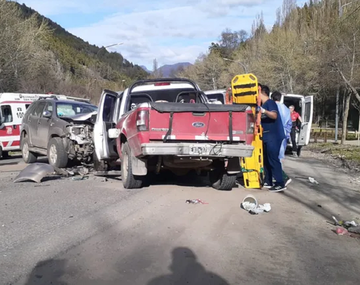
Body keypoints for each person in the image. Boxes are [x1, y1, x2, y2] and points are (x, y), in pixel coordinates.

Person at [258, 84, 286, 192]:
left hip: (274, 136)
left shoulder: (270, 103)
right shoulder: (263, 104)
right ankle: (268, 181)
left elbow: (274, 116)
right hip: (266, 136)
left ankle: (280, 182)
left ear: (262, 93)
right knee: (266, 159)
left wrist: (264, 111)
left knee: (273, 159)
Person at [271, 91, 292, 187]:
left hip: (274, 134)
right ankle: (278, 177)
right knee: (280, 157)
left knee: (272, 158)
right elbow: (289, 124)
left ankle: (281, 178)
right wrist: (287, 135)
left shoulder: (273, 108)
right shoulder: (286, 109)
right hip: (283, 135)